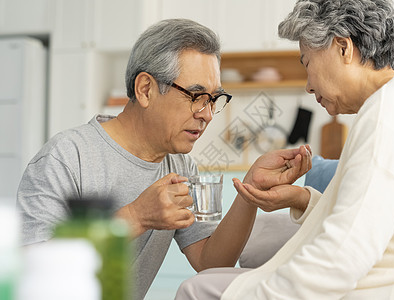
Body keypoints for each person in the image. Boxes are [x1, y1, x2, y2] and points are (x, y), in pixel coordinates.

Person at [16, 18, 313, 300]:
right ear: (145, 90)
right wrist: (136, 217)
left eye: (213, 99)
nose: (207, 114)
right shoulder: (67, 157)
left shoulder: (180, 165)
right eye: (196, 96)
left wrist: (251, 191)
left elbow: (210, 261)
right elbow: (32, 274)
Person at [175, 0, 394, 299]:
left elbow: (339, 261)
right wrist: (301, 198)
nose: (308, 85)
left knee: (197, 289)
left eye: (307, 62)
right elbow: (374, 220)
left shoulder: (387, 121)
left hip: (377, 290)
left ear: (343, 48)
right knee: (214, 280)